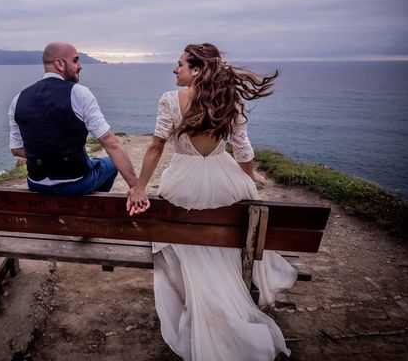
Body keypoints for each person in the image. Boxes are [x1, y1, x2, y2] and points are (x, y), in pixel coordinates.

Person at [127, 43, 297, 360]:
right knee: (234, 222)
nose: (174, 69)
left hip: (182, 184)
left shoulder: (169, 100)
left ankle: (200, 293)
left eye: (179, 64)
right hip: (224, 180)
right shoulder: (229, 101)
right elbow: (243, 150)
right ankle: (227, 292)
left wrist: (140, 186)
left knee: (184, 235)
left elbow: (155, 147)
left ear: (196, 70)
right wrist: (250, 176)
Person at [8, 42, 148, 207]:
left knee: (93, 162)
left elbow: (16, 149)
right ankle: (92, 211)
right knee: (109, 165)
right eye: (75, 61)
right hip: (75, 183)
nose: (80, 66)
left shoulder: (18, 99)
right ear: (60, 63)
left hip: (37, 182)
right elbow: (111, 142)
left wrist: (47, 156)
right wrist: (135, 186)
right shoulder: (79, 93)